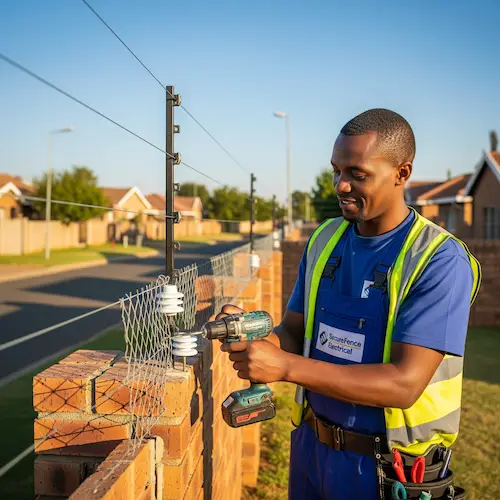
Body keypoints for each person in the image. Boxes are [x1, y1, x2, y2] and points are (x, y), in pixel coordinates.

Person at [215, 108, 481, 499]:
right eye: (337, 171)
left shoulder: (440, 259)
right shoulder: (325, 238)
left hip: (386, 472)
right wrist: (259, 342)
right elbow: (294, 330)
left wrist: (285, 366)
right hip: (311, 450)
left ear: (401, 174)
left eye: (357, 174)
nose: (341, 185)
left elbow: (404, 383)